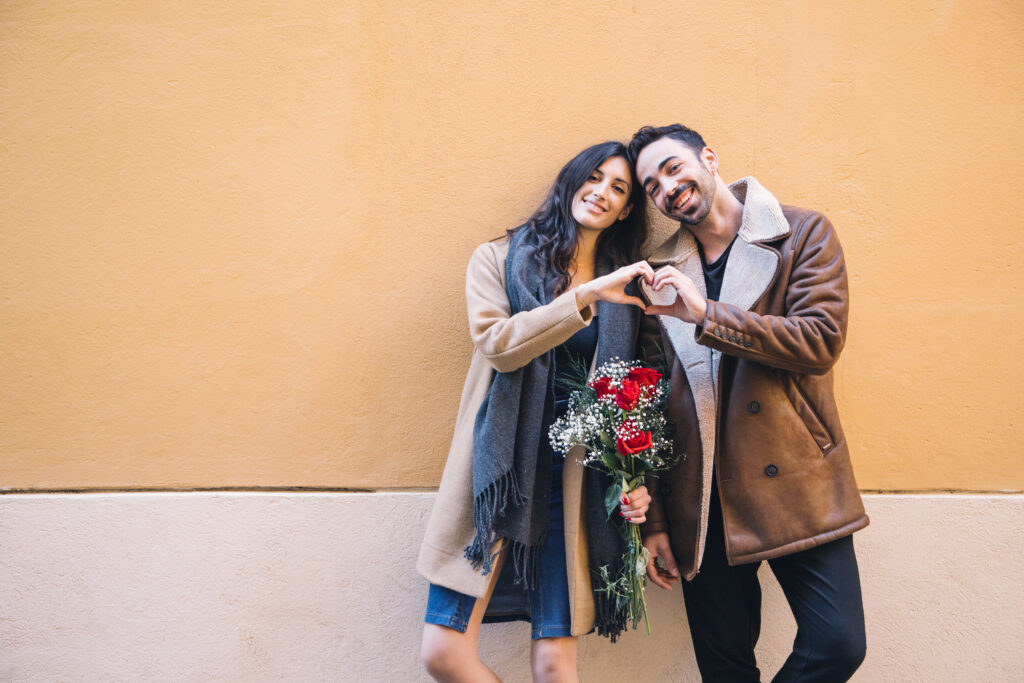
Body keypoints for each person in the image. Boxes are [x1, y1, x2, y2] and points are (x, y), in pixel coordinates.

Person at [628, 124, 869, 682]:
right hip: (700, 494)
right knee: (725, 669)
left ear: (708, 159)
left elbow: (819, 341)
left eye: (672, 168)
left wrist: (707, 315)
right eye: (651, 186)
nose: (667, 188)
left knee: (837, 644)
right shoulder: (659, 272)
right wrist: (655, 518)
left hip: (797, 482)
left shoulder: (800, 234)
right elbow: (650, 400)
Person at [417, 141, 656, 682]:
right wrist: (584, 297)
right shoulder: (498, 259)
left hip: (576, 483)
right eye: (594, 177)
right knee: (443, 653)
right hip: (500, 473)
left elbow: (634, 396)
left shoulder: (629, 290)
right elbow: (498, 345)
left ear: (625, 210)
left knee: (555, 665)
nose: (602, 192)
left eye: (618, 188)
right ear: (571, 180)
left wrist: (639, 484)